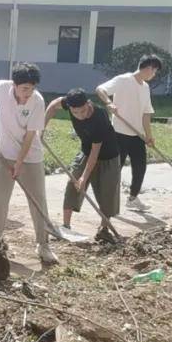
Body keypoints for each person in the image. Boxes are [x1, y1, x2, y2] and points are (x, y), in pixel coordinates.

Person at [0, 63, 59, 265]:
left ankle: (43, 244)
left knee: (38, 200)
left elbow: (31, 135)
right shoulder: (3, 89)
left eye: (31, 88)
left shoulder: (37, 101)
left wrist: (20, 162)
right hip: (3, 153)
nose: (27, 93)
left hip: (30, 157)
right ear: (14, 85)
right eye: (24, 89)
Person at [43, 89, 122, 244]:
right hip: (85, 153)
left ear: (88, 103)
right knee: (72, 185)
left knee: (107, 193)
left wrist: (85, 178)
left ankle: (103, 230)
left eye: (83, 111)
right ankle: (66, 226)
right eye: (75, 112)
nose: (80, 115)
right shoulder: (68, 102)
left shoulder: (99, 117)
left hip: (107, 156)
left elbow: (95, 152)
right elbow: (53, 105)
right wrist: (41, 128)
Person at [96, 54, 160, 213]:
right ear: (148, 68)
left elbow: (146, 113)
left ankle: (133, 198)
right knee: (115, 169)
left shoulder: (145, 88)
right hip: (119, 133)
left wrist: (148, 135)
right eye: (155, 71)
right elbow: (100, 89)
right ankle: (107, 201)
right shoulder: (123, 80)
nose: (154, 74)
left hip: (137, 136)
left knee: (140, 167)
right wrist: (109, 103)